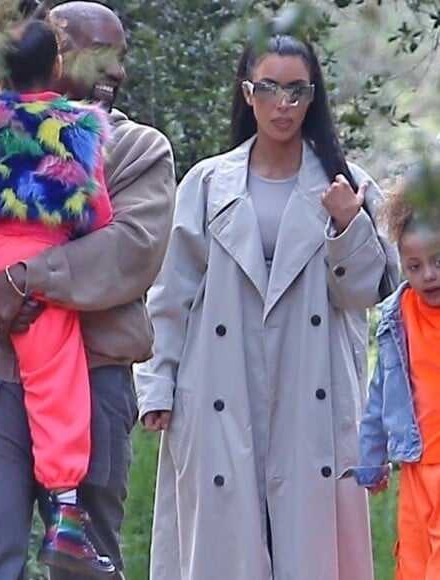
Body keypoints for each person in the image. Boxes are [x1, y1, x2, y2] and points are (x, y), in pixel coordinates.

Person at [0, 1, 176, 578]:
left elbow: (131, 251)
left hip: (92, 380)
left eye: (121, 57)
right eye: (100, 55)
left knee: (87, 564)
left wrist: (18, 282)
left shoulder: (140, 149)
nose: (115, 72)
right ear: (53, 56)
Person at [135, 34, 399, 580]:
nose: (284, 105)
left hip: (313, 381)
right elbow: (172, 294)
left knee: (309, 544)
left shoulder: (347, 183)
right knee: (224, 548)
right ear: (248, 93)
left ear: (313, 97)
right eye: (271, 88)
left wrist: (350, 225)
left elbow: (366, 295)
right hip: (219, 383)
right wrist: (158, 385)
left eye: (297, 90)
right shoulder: (208, 183)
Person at [350, 164, 440, 580]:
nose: (429, 275)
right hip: (418, 466)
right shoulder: (397, 317)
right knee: (415, 560)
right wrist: (371, 457)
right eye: (415, 265)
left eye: (438, 261)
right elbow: (381, 394)